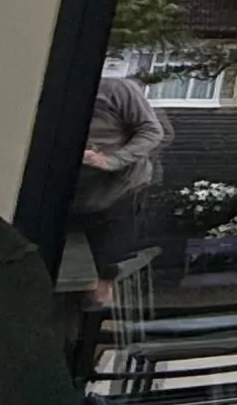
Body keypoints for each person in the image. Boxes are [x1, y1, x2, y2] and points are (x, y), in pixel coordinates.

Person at [70, 75, 170, 307]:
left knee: (101, 276)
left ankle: (99, 306)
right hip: (73, 198)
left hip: (121, 193)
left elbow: (154, 132)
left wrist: (112, 160)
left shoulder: (116, 89)